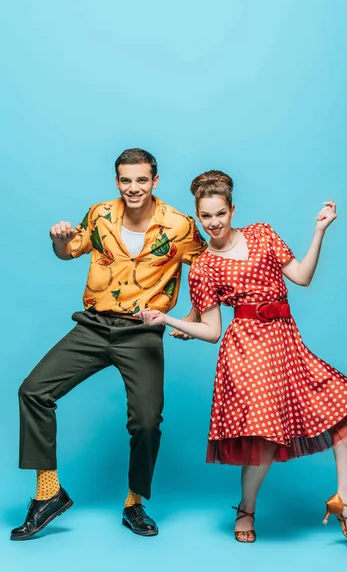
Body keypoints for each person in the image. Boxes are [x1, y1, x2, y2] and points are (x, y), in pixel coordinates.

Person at [139, 170, 347, 549]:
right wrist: (168, 319)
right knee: (264, 437)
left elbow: (301, 277)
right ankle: (246, 509)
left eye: (220, 213)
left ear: (233, 210)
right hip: (246, 350)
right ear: (198, 217)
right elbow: (214, 330)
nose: (213, 223)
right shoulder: (203, 266)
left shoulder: (263, 234)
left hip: (286, 344)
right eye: (206, 217)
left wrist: (319, 231)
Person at [11, 148, 206, 541]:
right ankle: (48, 494)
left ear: (155, 181)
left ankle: (134, 503)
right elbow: (69, 251)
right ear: (117, 182)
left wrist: (194, 318)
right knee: (33, 391)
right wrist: (59, 241)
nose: (133, 188)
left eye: (141, 180)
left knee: (148, 422)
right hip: (95, 325)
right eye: (125, 180)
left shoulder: (180, 226)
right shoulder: (100, 213)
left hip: (142, 332)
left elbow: (206, 270)